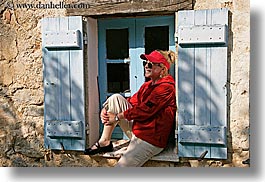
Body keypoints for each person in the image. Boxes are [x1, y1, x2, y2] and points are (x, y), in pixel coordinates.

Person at [84, 50, 177, 167]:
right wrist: (106, 109)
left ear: (162, 69)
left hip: (150, 140)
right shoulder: (147, 85)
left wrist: (117, 117)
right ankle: (104, 142)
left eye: (150, 64)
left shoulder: (166, 88)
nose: (146, 67)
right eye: (145, 63)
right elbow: (131, 102)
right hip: (139, 131)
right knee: (116, 98)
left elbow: (145, 110)